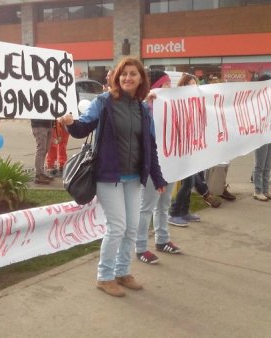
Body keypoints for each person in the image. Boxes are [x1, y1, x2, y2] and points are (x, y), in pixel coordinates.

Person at [58, 57, 167, 297]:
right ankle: (104, 276)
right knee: (117, 227)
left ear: (141, 79)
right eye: (123, 73)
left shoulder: (143, 109)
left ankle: (122, 272)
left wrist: (157, 179)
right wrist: (69, 123)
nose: (128, 78)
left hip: (133, 177)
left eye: (133, 74)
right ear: (117, 77)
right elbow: (84, 127)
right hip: (108, 177)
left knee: (132, 227)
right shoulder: (104, 102)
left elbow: (150, 145)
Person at [135, 69, 181, 265]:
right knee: (146, 207)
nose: (170, 87)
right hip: (153, 165)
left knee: (164, 204)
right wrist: (146, 103)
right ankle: (140, 247)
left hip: (169, 163)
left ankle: (162, 240)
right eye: (166, 84)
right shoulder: (142, 109)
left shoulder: (171, 107)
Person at [168, 74, 203, 226]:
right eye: (189, 84)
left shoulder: (196, 104)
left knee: (189, 181)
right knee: (188, 182)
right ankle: (174, 213)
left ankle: (184, 211)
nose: (192, 86)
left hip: (192, 148)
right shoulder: (177, 104)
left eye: (194, 84)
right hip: (180, 149)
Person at [252, 74, 271, 201]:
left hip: (270, 134)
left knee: (268, 164)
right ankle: (258, 191)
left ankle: (266, 190)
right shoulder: (256, 98)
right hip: (260, 135)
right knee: (260, 165)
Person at [31, 118, 54, 184]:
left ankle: (41, 172)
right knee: (41, 149)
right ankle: (38, 175)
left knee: (45, 150)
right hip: (39, 125)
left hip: (48, 124)